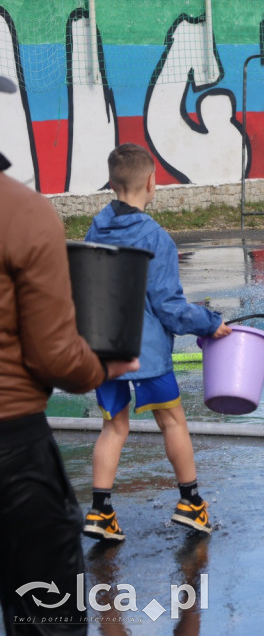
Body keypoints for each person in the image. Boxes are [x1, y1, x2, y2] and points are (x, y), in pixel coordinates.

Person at [1, 72, 139, 633]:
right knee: (46, 614)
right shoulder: (22, 212)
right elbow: (56, 355)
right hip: (12, 451)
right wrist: (101, 368)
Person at [82, 143, 231, 542]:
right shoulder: (156, 238)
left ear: (111, 183)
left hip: (104, 350)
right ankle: (191, 503)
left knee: (114, 427)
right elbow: (169, 307)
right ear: (153, 182)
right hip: (145, 353)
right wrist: (210, 324)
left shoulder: (95, 228)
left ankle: (99, 512)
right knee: (172, 421)